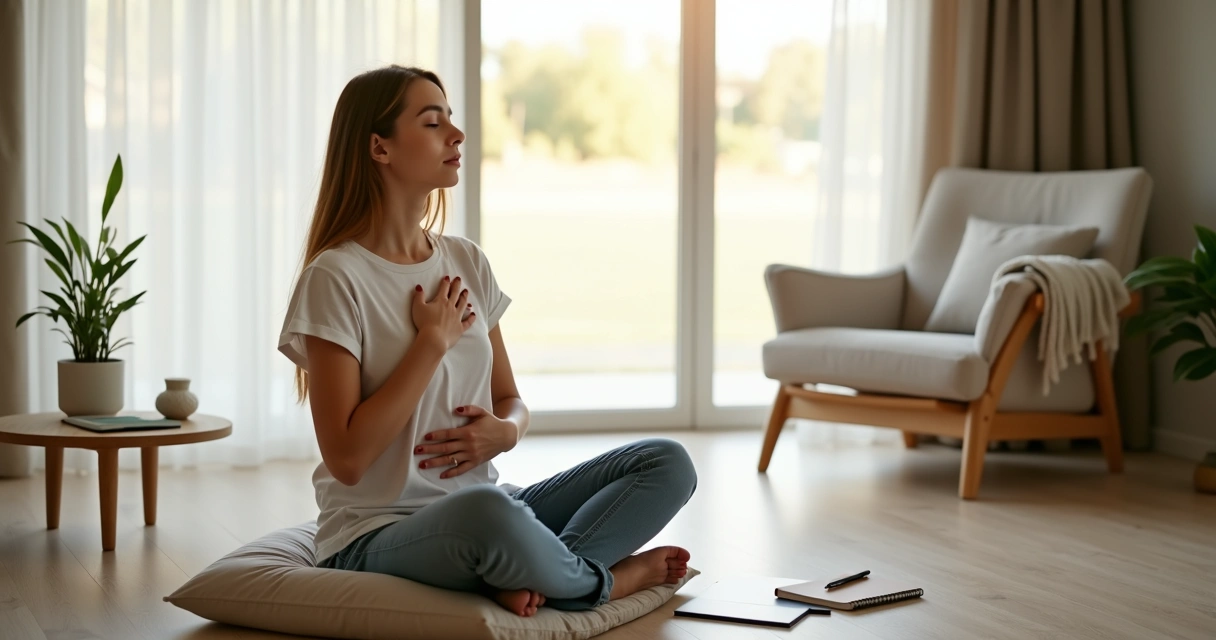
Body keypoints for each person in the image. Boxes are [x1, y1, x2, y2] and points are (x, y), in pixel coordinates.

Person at [276, 65, 697, 617]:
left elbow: (510, 400)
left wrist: (505, 432)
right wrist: (430, 344)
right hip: (377, 534)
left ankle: (536, 572)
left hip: (488, 510)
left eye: (450, 119)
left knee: (666, 462)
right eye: (433, 123)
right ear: (380, 147)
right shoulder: (336, 277)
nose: (457, 134)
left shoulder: (466, 260)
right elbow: (348, 460)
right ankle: (602, 584)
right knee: (488, 514)